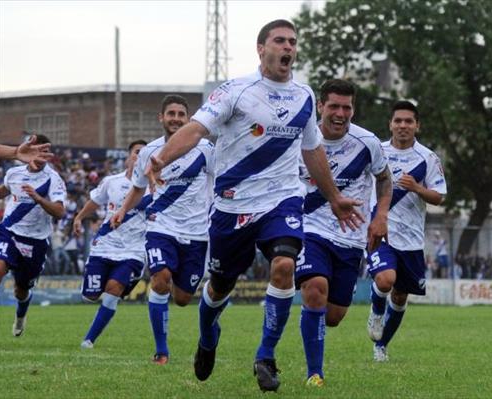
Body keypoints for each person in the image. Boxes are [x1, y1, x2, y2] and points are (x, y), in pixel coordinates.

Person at [144, 20, 364, 392]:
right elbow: (196, 130)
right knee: (218, 288)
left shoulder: (305, 96)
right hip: (232, 207)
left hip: (282, 200)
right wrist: (161, 158)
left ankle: (265, 354)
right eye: (280, 41)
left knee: (283, 265)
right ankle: (207, 337)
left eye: (293, 42)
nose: (288, 48)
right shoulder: (234, 91)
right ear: (261, 48)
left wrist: (334, 196)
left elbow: (311, 150)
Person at [296, 79, 393, 386]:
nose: (340, 113)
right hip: (308, 228)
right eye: (333, 106)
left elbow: (385, 180)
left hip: (350, 237)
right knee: (315, 288)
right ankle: (315, 373)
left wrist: (381, 217)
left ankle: (311, 323)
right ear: (320, 107)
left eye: (346, 107)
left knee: (334, 316)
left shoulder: (368, 143)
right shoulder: (301, 140)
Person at [110, 95, 214, 365]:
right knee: (160, 277)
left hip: (197, 232)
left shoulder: (205, 149)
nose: (176, 118)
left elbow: (219, 181)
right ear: (162, 117)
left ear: (189, 119)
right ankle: (161, 351)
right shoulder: (149, 152)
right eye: (171, 113)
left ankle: (212, 314)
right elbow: (138, 188)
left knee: (181, 298)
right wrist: (122, 211)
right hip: (161, 226)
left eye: (181, 114)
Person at [366, 101, 447, 362]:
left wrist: (417, 188)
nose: (403, 126)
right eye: (398, 121)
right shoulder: (376, 151)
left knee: (400, 297)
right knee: (385, 280)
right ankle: (376, 312)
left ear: (417, 125)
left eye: (408, 121)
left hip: (412, 239)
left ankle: (381, 346)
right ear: (390, 124)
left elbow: (439, 197)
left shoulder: (428, 158)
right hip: (381, 230)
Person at [73, 139, 148, 349]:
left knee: (113, 289)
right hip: (105, 244)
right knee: (90, 295)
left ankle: (89, 340)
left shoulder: (155, 186)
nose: (140, 156)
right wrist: (78, 217)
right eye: (137, 152)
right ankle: (94, 288)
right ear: (128, 157)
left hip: (133, 249)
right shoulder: (112, 181)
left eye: (145, 154)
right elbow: (95, 201)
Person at [0, 134, 66, 336]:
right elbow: (3, 191)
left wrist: (38, 198)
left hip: (35, 241)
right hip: (9, 231)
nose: (42, 155)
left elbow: (60, 212)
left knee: (21, 290)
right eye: (38, 150)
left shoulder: (53, 179)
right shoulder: (14, 173)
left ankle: (20, 317)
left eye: (46, 151)